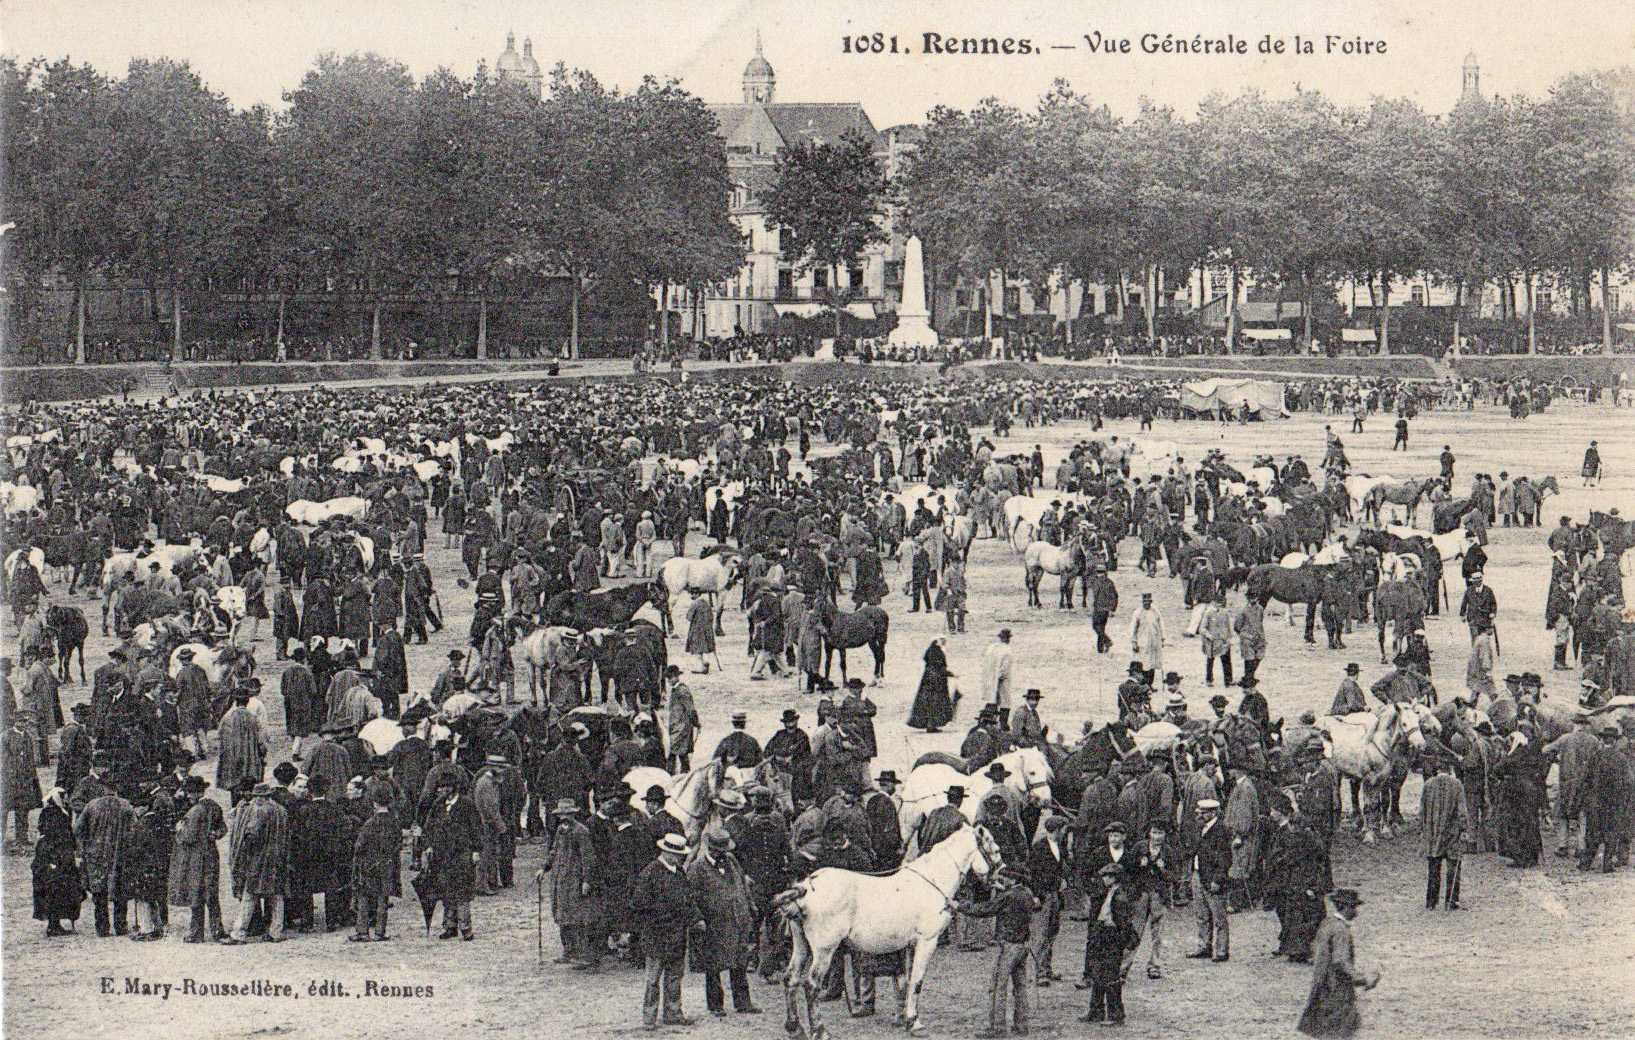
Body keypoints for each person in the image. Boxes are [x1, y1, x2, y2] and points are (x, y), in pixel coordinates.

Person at [630, 833, 703, 1029]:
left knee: (674, 976)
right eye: (677, 854)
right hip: (657, 934)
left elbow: (688, 899)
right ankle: (649, 1018)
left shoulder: (679, 872)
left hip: (677, 934)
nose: (681, 858)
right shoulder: (650, 873)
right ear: (666, 852)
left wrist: (696, 918)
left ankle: (673, 1013)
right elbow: (639, 905)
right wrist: (659, 920)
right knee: (653, 979)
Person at [688, 824, 761, 1017]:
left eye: (724, 850)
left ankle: (743, 1002)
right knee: (713, 966)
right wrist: (698, 919)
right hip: (714, 925)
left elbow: (742, 886)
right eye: (719, 851)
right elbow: (691, 898)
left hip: (737, 921)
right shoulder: (697, 869)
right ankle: (716, 1005)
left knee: (740, 963)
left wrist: (750, 906)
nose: (723, 854)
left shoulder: (731, 861)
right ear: (710, 849)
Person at [961, 866, 1040, 1037]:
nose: (1002, 879)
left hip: (1009, 946)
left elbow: (985, 910)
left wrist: (960, 906)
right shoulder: (1026, 893)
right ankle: (1022, 1025)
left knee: (998, 987)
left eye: (1005, 877)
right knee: (1020, 986)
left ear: (1012, 879)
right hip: (1024, 945)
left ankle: (997, 1028)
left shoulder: (1008, 896)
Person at [1297, 890, 1379, 1038]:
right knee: (1341, 1031)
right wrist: (1362, 979)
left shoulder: (1327, 923)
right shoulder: (1341, 930)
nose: (1356, 912)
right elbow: (1341, 961)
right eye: (1354, 908)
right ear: (1346, 907)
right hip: (1337, 989)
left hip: (1323, 984)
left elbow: (1314, 950)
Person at [224, 782, 291, 944]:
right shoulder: (281, 810)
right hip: (278, 859)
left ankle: (239, 933)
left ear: (261, 797)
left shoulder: (260, 811)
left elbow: (252, 835)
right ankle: (276, 932)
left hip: (260, 860)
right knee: (276, 895)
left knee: (249, 894)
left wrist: (244, 845)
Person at [422, 772, 483, 940]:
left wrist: (476, 851)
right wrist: (428, 846)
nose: (440, 790)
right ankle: (450, 926)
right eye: (440, 787)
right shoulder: (438, 805)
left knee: (462, 891)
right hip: (442, 855)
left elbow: (476, 829)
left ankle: (466, 928)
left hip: (462, 854)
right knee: (446, 890)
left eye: (444, 787)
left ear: (452, 788)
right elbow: (429, 827)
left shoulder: (467, 805)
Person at [169, 776, 226, 942]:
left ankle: (196, 933)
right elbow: (222, 828)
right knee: (212, 894)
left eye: (189, 793)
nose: (188, 796)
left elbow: (188, 837)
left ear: (194, 793)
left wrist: (178, 830)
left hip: (196, 857)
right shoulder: (214, 806)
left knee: (197, 893)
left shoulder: (194, 812)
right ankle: (217, 930)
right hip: (211, 854)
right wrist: (214, 834)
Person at [1080, 863, 1138, 1026]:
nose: (1104, 879)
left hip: (1111, 937)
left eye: (1106, 876)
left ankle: (1115, 1015)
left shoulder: (1119, 897)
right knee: (1098, 974)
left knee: (1111, 977)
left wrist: (1119, 943)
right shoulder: (1110, 893)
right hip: (1104, 934)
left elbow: (1123, 924)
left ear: (1114, 878)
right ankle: (1096, 1012)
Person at [31, 786, 81, 936]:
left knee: (59, 890)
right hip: (55, 857)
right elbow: (56, 836)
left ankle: (55, 923)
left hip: (58, 856)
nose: (67, 799)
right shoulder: (54, 813)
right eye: (64, 796)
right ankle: (54, 925)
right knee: (55, 890)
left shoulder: (56, 812)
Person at [1028, 815, 1068, 985]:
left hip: (1055, 895)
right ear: (1057, 830)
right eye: (1063, 830)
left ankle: (1046, 968)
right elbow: (1032, 874)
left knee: (1052, 931)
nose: (1064, 833)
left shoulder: (1060, 847)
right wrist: (1035, 896)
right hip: (1043, 896)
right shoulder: (1038, 848)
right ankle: (1038, 972)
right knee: (1041, 934)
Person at [1189, 798, 1230, 962]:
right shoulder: (1201, 828)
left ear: (1213, 812)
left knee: (1219, 916)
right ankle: (1204, 946)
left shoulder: (1221, 831)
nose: (1200, 815)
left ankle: (1222, 950)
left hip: (1212, 878)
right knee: (1202, 914)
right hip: (1199, 874)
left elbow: (1225, 859)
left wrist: (1218, 879)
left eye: (1204, 812)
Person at [908, 637, 955, 732]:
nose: (944, 642)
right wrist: (951, 674)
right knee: (936, 703)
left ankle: (930, 724)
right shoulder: (937, 652)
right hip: (937, 682)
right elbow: (940, 668)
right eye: (942, 640)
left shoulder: (930, 650)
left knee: (928, 703)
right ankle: (932, 725)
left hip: (927, 680)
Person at [979, 629, 1015, 729]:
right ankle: (1003, 723)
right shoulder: (1007, 650)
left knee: (992, 698)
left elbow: (985, 663)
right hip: (1002, 680)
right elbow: (1005, 669)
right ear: (1008, 639)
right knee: (1005, 701)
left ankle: (987, 721)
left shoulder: (991, 648)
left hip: (990, 678)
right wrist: (1000, 676)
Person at [1128, 593, 1165, 686]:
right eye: (1145, 601)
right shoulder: (1138, 612)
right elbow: (1133, 629)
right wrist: (1134, 642)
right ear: (1142, 602)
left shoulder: (1155, 612)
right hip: (1142, 643)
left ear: (1151, 602)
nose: (1147, 603)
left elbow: (1161, 626)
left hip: (1154, 643)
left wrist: (1163, 639)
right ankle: (1142, 685)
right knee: (1143, 664)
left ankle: (1149, 685)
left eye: (1148, 601)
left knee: (1152, 664)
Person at [685, 594, 716, 674]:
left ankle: (700, 668)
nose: (691, 595)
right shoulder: (707, 604)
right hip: (707, 629)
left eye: (692, 594)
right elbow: (711, 617)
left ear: (697, 594)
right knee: (706, 647)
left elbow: (688, 617)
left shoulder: (695, 604)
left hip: (697, 628)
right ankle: (706, 660)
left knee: (697, 648)